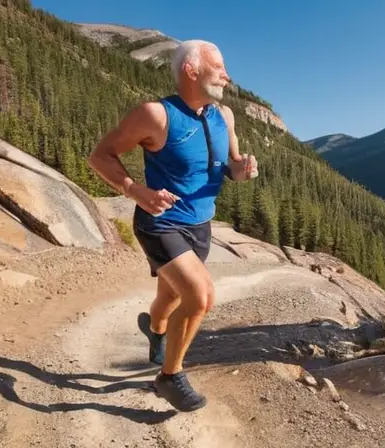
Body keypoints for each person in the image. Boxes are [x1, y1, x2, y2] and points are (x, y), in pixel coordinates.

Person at [87, 39, 258, 412]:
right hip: (159, 222)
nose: (228, 76)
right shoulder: (156, 115)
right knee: (201, 296)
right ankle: (170, 376)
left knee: (172, 297)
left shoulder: (223, 116)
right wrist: (135, 190)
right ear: (191, 70)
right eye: (219, 67)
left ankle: (156, 327)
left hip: (201, 225)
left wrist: (241, 171)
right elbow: (100, 155)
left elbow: (229, 166)